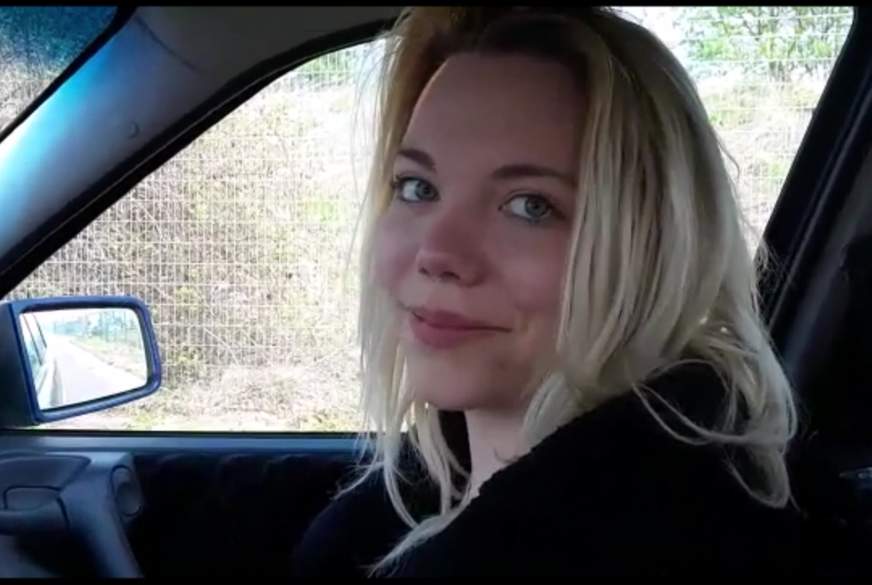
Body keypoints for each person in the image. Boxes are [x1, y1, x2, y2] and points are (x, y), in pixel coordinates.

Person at [291, 5, 802, 578]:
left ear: (652, 247)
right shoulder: (414, 502)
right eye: (417, 187)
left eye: (530, 206)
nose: (437, 253)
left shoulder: (673, 541)